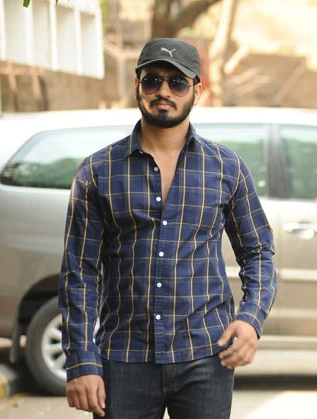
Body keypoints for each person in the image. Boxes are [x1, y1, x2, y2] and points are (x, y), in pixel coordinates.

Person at [59, 38, 277, 419]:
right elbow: (79, 274)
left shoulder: (227, 168)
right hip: (124, 358)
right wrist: (81, 361)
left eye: (177, 82)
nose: (163, 91)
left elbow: (258, 251)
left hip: (206, 356)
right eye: (152, 80)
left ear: (197, 90)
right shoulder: (98, 171)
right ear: (137, 85)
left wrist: (251, 318)